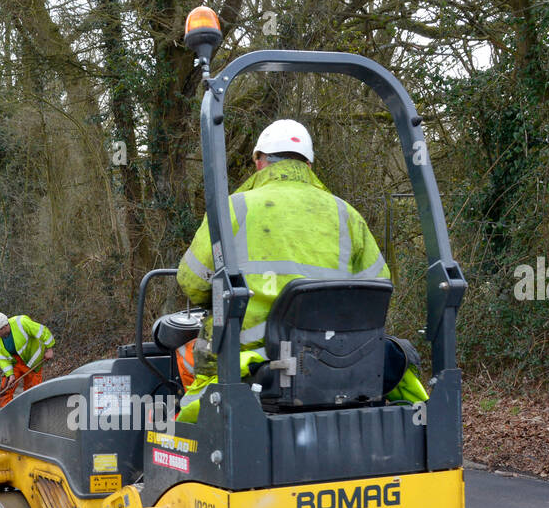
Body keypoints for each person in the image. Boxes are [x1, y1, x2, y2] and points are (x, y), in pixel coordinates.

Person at [174, 119, 425, 421]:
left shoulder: (232, 209)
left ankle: (191, 436)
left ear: (259, 162)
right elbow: (378, 289)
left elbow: (191, 282)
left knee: (186, 358)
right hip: (337, 361)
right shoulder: (346, 214)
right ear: (308, 164)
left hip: (254, 361)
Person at [0, 312, 55, 407]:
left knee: (32, 390)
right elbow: (1, 358)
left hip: (32, 360)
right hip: (14, 362)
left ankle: (30, 411)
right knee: (6, 386)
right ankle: (3, 411)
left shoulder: (21, 322)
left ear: (4, 327)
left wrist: (50, 349)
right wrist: (10, 374)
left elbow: (42, 331)